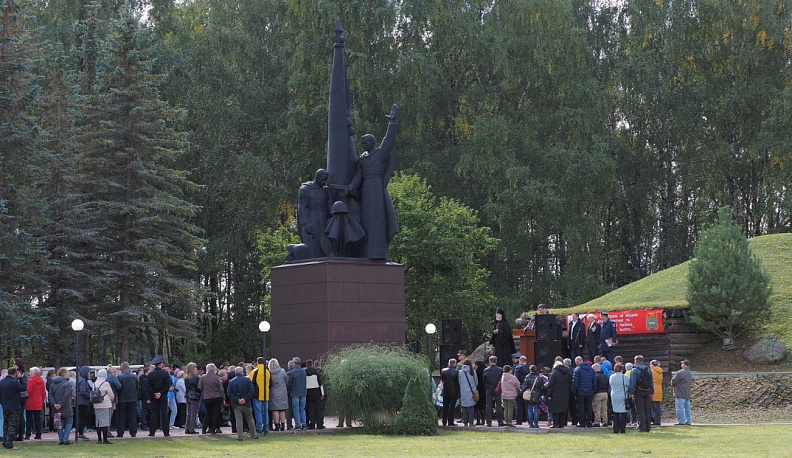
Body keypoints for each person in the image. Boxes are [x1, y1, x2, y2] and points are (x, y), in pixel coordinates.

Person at [346, 104, 399, 259]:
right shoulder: (363, 160)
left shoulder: (380, 155)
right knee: (366, 221)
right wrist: (350, 187)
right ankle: (365, 252)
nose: (363, 145)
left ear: (372, 143)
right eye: (362, 144)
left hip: (376, 189)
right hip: (366, 192)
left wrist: (393, 121)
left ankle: (377, 253)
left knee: (377, 221)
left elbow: (389, 140)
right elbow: (358, 177)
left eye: (365, 143)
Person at [298, 169, 332, 258]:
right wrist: (305, 223)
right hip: (312, 218)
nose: (324, 182)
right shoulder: (306, 189)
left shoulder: (325, 191)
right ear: (317, 178)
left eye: (326, 180)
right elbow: (302, 206)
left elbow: (329, 207)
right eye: (323, 179)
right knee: (313, 243)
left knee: (324, 243)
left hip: (323, 219)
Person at [227, 366, 259, 441]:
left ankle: (240, 436)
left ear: (235, 373)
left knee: (238, 419)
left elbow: (229, 393)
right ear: (242, 372)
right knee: (250, 419)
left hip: (236, 404)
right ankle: (253, 434)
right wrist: (244, 399)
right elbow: (251, 391)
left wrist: (238, 400)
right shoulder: (247, 380)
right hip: (246, 403)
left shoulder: (231, 382)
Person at [0, 368, 27, 450]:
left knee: (6, 424)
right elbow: (24, 387)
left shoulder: (2, 382)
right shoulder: (14, 382)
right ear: (15, 373)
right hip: (14, 406)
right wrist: (21, 378)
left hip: (5, 406)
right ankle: (9, 444)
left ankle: (5, 442)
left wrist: (2, 403)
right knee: (12, 425)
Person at [147, 356, 171, 437]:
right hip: (163, 395)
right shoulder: (165, 373)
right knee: (164, 413)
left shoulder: (150, 374)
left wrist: (154, 393)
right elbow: (168, 385)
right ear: (160, 364)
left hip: (153, 396)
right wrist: (161, 393)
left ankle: (152, 432)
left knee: (154, 413)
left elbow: (148, 387)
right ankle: (166, 432)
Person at [48, 367, 74, 445]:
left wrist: (54, 404)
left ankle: (60, 439)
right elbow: (66, 395)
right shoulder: (67, 384)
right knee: (69, 422)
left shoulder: (52, 384)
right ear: (65, 374)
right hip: (66, 407)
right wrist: (61, 404)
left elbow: (50, 395)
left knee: (59, 424)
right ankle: (65, 439)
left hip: (56, 408)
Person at [629, 355, 654, 432]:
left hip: (639, 391)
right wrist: (652, 392)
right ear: (642, 361)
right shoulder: (648, 369)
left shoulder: (634, 370)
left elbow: (632, 382)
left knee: (640, 409)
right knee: (647, 409)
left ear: (636, 361)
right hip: (647, 390)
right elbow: (651, 381)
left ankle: (642, 427)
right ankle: (648, 427)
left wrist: (632, 393)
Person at [198, 363, 225, 434]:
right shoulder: (217, 377)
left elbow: (199, 387)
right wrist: (223, 397)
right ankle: (213, 429)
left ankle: (204, 429)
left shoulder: (203, 377)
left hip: (207, 397)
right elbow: (220, 388)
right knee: (216, 414)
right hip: (217, 397)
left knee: (208, 413)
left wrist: (205, 390)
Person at [116, 362, 139, 438]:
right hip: (132, 399)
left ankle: (120, 432)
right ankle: (133, 432)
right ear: (129, 368)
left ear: (121, 369)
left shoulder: (119, 377)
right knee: (133, 416)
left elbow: (118, 388)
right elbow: (138, 387)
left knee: (121, 416)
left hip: (122, 399)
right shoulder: (135, 377)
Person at [546, 361, 571, 428]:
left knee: (554, 410)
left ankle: (555, 424)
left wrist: (549, 394)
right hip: (565, 394)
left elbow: (551, 385)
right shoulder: (567, 372)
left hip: (555, 394)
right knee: (562, 410)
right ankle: (561, 424)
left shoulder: (554, 373)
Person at [92, 369, 115, 444]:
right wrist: (112, 399)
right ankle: (105, 439)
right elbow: (111, 395)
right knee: (105, 422)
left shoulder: (94, 383)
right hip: (105, 404)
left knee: (98, 422)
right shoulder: (106, 383)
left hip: (96, 404)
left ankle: (99, 439)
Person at [572, 356, 596, 428]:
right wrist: (593, 391)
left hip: (580, 392)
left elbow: (575, 382)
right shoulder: (591, 369)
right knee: (589, 406)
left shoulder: (577, 370)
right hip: (589, 391)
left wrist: (574, 391)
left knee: (581, 407)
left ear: (577, 362)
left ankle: (582, 422)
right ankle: (589, 422)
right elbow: (594, 382)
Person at [249, 357, 270, 434]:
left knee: (258, 411)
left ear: (257, 362)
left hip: (257, 394)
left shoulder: (254, 371)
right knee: (265, 411)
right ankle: (266, 427)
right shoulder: (267, 371)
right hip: (266, 394)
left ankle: (259, 427)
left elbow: (250, 383)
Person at [483, 356, 505, 427]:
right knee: (498, 405)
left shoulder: (486, 370)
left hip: (489, 388)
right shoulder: (500, 370)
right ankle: (500, 421)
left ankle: (488, 421)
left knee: (488, 405)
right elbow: (502, 379)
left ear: (489, 361)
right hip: (498, 388)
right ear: (496, 361)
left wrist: (487, 385)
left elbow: (484, 380)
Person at [286, 357, 307, 431]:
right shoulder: (303, 371)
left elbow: (289, 384)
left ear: (294, 363)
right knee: (302, 409)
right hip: (303, 392)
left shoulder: (292, 372)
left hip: (295, 393)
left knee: (296, 409)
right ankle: (304, 424)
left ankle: (298, 424)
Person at [24, 367, 45, 440]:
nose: (29, 374)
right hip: (38, 401)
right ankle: (39, 434)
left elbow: (28, 391)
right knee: (38, 419)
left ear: (34, 373)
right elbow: (43, 393)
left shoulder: (31, 381)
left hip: (30, 401)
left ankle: (28, 434)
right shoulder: (42, 381)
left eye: (30, 372)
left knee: (29, 419)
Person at [671, 359, 693, 426]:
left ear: (685, 365)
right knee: (687, 408)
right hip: (687, 393)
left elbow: (674, 381)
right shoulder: (690, 373)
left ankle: (681, 421)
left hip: (680, 392)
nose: (681, 365)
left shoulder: (680, 372)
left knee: (680, 408)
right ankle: (688, 420)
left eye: (682, 364)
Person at [609, 363, 630, 433]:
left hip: (614, 395)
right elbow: (628, 384)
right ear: (622, 369)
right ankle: (622, 429)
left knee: (615, 412)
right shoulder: (625, 377)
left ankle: (615, 429)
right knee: (623, 412)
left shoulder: (612, 377)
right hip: (623, 395)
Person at [268, 359, 288, 431]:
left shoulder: (269, 372)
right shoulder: (282, 371)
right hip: (282, 391)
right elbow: (286, 380)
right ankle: (283, 425)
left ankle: (277, 425)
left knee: (275, 409)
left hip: (273, 392)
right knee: (282, 409)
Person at [305, 360, 324, 429]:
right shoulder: (316, 372)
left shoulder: (304, 372)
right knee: (318, 409)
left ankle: (312, 424)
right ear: (312, 364)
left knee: (311, 409)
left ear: (306, 365)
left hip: (308, 392)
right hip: (317, 392)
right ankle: (319, 424)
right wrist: (322, 394)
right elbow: (320, 384)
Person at [457, 360, 477, 427]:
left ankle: (465, 422)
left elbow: (459, 382)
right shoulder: (473, 371)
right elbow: (476, 381)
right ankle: (471, 422)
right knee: (471, 407)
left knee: (464, 407)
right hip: (471, 391)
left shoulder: (461, 372)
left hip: (463, 392)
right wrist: (474, 388)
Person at [440, 359, 460, 426]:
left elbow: (442, 380)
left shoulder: (443, 371)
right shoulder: (457, 372)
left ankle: (444, 421)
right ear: (455, 364)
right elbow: (458, 382)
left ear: (449, 363)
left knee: (445, 407)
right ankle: (450, 421)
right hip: (454, 392)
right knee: (452, 407)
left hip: (445, 391)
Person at [512, 355, 529, 426]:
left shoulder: (517, 368)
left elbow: (515, 379)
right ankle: (528, 419)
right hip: (528, 389)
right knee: (528, 405)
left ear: (520, 361)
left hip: (519, 388)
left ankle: (519, 420)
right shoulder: (530, 368)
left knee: (519, 404)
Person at [76, 366, 92, 440]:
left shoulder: (80, 380)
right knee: (82, 418)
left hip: (81, 401)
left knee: (81, 418)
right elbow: (83, 391)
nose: (90, 374)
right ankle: (81, 433)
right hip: (83, 402)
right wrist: (89, 395)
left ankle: (80, 433)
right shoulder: (83, 381)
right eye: (89, 373)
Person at [183, 363, 200, 434]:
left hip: (188, 395)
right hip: (194, 396)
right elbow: (198, 387)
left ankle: (187, 428)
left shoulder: (186, 377)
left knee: (189, 413)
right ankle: (191, 429)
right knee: (193, 413)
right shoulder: (195, 377)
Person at [592, 363, 609, 427]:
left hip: (598, 393)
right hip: (605, 393)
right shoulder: (605, 376)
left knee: (597, 408)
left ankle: (597, 421)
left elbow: (594, 385)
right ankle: (605, 421)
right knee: (604, 409)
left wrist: (593, 392)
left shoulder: (595, 376)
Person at [650, 359, 663, 425]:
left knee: (653, 407)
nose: (649, 365)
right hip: (659, 389)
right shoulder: (660, 371)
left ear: (653, 365)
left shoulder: (652, 371)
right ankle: (658, 420)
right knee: (657, 407)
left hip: (653, 390)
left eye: (650, 364)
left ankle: (654, 420)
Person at [473, 361, 486, 426]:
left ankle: (478, 420)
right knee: (483, 405)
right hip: (484, 389)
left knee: (477, 405)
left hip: (478, 389)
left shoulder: (476, 372)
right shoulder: (485, 370)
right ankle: (483, 420)